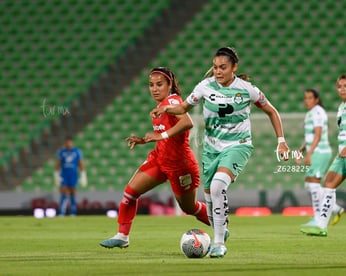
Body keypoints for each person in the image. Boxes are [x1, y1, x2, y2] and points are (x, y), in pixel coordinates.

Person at [151, 47, 290, 257]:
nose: (218, 71)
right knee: (208, 195)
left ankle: (218, 243)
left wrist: (281, 141)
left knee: (217, 187)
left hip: (238, 146)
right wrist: (167, 108)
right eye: (215, 67)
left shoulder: (247, 89)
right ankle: (221, 232)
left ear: (234, 67)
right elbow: (184, 108)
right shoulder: (204, 87)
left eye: (223, 67)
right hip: (211, 149)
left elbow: (271, 110)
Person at [100, 67, 210, 249]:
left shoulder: (173, 101)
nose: (154, 88)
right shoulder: (160, 107)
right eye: (151, 85)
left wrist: (162, 136)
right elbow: (164, 135)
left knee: (189, 208)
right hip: (160, 159)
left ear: (170, 85)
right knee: (130, 193)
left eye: (159, 84)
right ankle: (122, 235)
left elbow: (187, 122)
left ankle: (220, 226)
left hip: (180, 165)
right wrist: (144, 140)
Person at [300, 74, 346, 238]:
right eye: (339, 86)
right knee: (328, 183)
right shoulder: (343, 106)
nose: (342, 89)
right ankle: (321, 226)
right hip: (343, 153)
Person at [296, 89, 344, 227]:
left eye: (310, 98)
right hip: (315, 151)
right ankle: (334, 208)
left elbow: (318, 135)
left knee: (313, 184)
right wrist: (301, 150)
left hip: (320, 151)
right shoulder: (310, 113)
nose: (307, 100)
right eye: (305, 98)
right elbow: (310, 137)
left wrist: (309, 154)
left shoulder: (318, 112)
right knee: (310, 184)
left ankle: (318, 218)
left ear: (316, 99)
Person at [54, 136, 87, 216]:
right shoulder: (61, 152)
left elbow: (80, 163)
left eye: (70, 142)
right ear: (65, 143)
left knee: (73, 192)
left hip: (73, 175)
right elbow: (58, 163)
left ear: (72, 143)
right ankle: (62, 212)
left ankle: (73, 212)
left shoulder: (76, 151)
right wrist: (56, 175)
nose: (68, 144)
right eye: (67, 142)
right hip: (64, 175)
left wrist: (83, 174)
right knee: (63, 192)